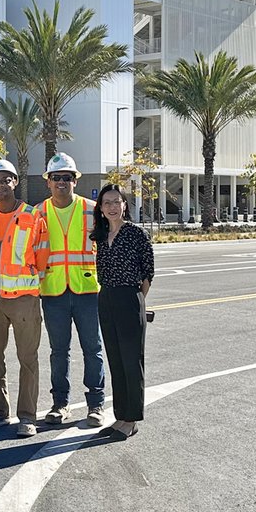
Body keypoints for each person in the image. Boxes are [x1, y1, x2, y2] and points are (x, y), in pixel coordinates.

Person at [0, 159, 44, 438]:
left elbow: (43, 255)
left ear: (15, 181)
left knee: (27, 357)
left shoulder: (33, 216)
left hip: (24, 297)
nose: (1, 185)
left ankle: (27, 416)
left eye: (6, 180)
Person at [34, 152, 105, 429]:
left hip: (87, 289)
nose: (61, 182)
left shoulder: (92, 209)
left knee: (93, 349)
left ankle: (96, 404)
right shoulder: (37, 213)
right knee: (58, 351)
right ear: (48, 182)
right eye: (56, 178)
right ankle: (59, 404)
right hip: (53, 292)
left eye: (66, 177)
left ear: (75, 181)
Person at [90, 184, 154, 441]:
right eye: (107, 203)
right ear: (101, 208)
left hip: (129, 298)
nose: (112, 207)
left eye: (117, 202)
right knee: (115, 361)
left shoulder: (136, 234)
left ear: (125, 205)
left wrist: (135, 301)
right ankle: (120, 416)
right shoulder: (101, 236)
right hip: (106, 297)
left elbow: (148, 273)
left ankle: (132, 420)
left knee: (131, 361)